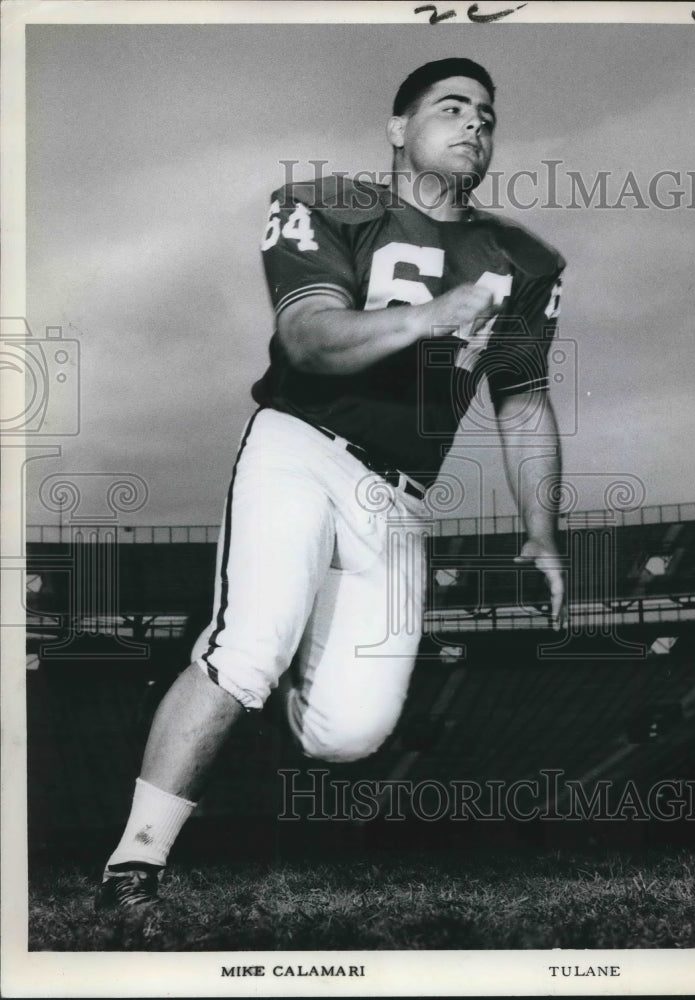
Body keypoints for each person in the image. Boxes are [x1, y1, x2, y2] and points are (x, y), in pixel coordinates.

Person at [96, 57, 568, 911]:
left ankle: (264, 656)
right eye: (450, 107)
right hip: (301, 443)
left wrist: (541, 529)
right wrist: (431, 315)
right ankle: (136, 861)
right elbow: (308, 341)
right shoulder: (327, 203)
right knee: (245, 652)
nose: (474, 125)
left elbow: (523, 401)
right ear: (397, 129)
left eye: (487, 115)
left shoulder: (523, 259)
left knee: (349, 736)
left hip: (395, 496)